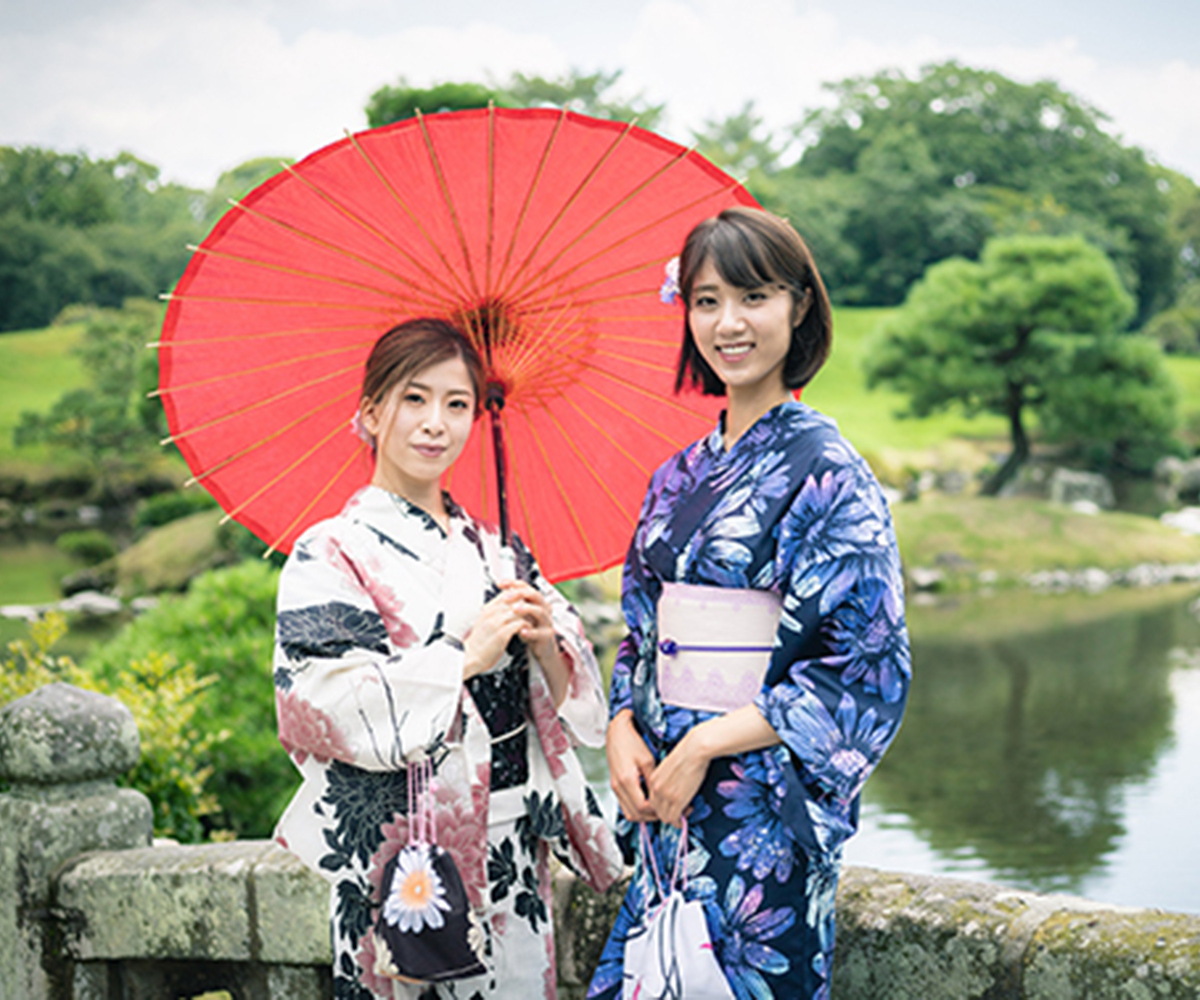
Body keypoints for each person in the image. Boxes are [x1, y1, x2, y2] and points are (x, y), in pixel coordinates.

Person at [587, 207, 911, 1000]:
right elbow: (641, 634)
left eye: (753, 297)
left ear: (799, 306)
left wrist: (704, 745)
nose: (728, 323)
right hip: (665, 807)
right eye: (706, 301)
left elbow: (862, 670)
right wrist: (621, 726)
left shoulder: (830, 472)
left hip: (760, 810)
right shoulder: (675, 475)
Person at [271, 318, 623, 999]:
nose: (436, 423)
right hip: (405, 855)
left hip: (513, 842)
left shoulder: (500, 550)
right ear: (371, 413)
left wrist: (545, 642)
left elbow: (574, 700)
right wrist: (462, 657)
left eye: (457, 404)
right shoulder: (331, 552)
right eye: (414, 398)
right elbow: (319, 702)